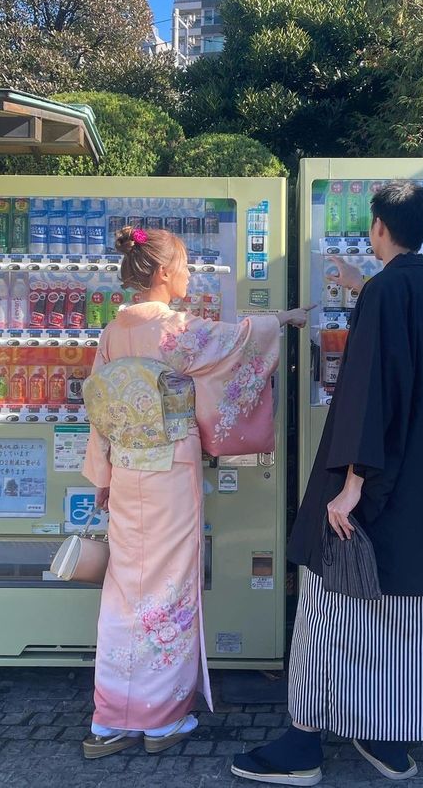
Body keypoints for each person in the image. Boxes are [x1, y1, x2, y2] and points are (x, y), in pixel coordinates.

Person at [232, 182, 423, 785]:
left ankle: (303, 745)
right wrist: (364, 285)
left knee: (329, 600)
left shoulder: (388, 292)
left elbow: (370, 391)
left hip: (375, 483)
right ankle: (386, 736)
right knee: (407, 615)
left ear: (380, 226)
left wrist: (353, 482)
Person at [81, 226, 311, 760]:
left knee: (124, 589)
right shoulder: (172, 329)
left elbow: (100, 411)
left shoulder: (114, 331)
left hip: (127, 469)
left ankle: (111, 716)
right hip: (170, 469)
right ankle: (161, 719)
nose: (189, 275)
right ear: (163, 272)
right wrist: (286, 320)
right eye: (184, 265)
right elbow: (238, 341)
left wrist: (102, 477)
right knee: (169, 587)